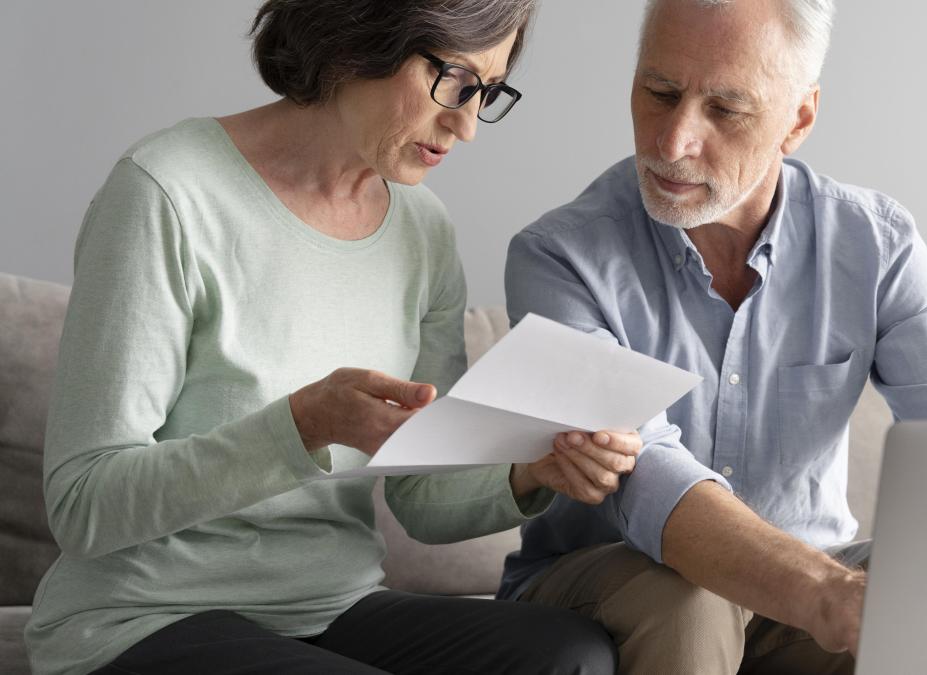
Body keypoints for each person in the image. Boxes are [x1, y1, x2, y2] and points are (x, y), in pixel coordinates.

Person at [24, 2, 638, 674]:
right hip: (145, 616)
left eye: (487, 93)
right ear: (358, 39)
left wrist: (532, 470)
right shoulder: (168, 191)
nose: (465, 126)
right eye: (455, 81)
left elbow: (423, 498)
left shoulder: (424, 230)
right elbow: (84, 504)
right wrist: (302, 426)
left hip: (330, 608)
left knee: (573, 656)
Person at [498, 0, 927, 673]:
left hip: (807, 581)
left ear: (798, 119)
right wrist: (826, 593)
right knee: (689, 601)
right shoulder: (558, 258)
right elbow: (643, 474)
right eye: (660, 93)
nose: (673, 142)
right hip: (611, 581)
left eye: (725, 109)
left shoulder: (876, 244)